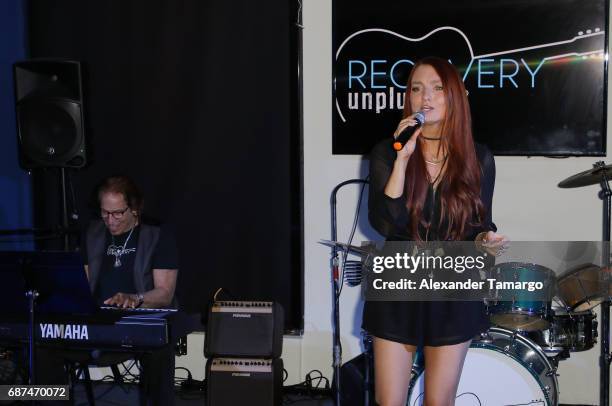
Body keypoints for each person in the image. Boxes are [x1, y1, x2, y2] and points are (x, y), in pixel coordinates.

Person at [363, 56, 507, 405]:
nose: (424, 97)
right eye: (416, 89)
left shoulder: (478, 157)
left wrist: (484, 241)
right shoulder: (386, 152)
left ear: (455, 95)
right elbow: (384, 223)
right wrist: (402, 157)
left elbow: (479, 224)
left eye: (437, 88)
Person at [37, 175, 179, 406]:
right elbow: (80, 283)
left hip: (134, 321)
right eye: (104, 213)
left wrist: (135, 298)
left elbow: (164, 293)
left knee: (160, 349)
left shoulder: (157, 234)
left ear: (135, 209)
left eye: (117, 213)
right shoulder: (93, 232)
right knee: (41, 346)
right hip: (94, 319)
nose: (110, 220)